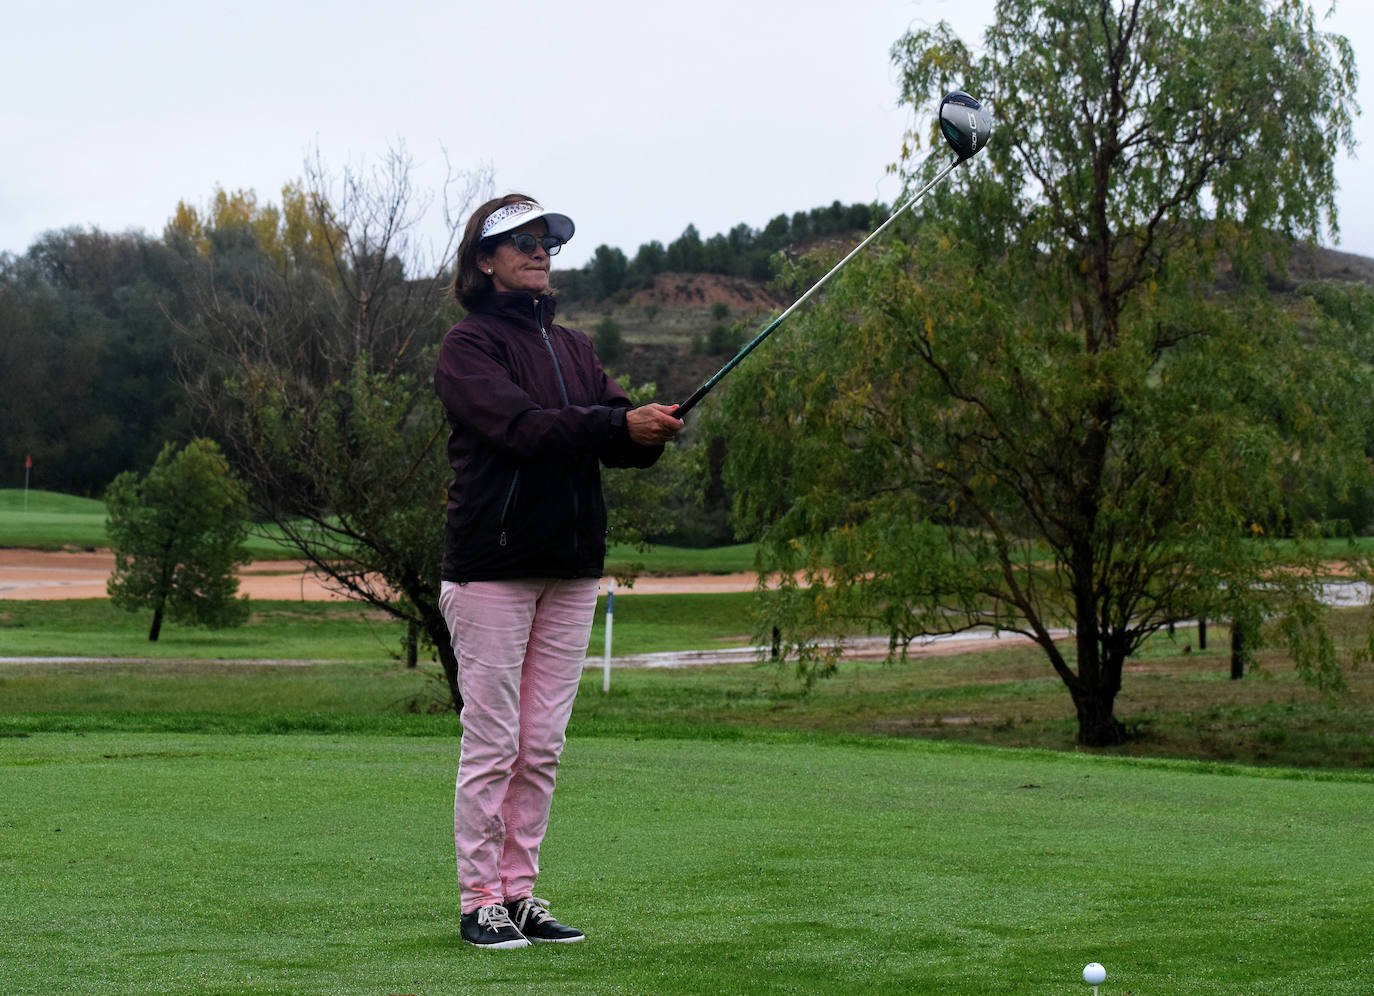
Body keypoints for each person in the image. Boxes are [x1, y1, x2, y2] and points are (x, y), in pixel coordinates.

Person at [434, 194, 684, 949]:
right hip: (492, 568)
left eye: (546, 241)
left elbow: (610, 432)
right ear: (484, 259)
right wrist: (616, 423)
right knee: (494, 742)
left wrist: (648, 431)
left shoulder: (575, 347)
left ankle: (519, 894)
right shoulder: (467, 347)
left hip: (572, 569)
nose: (539, 251)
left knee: (541, 745)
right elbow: (520, 428)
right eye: (521, 242)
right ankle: (479, 898)